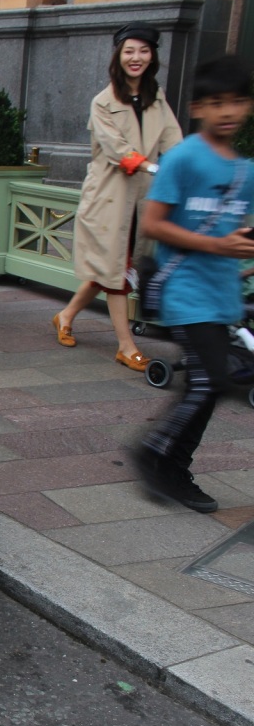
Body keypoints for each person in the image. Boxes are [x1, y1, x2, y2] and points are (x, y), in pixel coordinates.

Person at [133, 55, 254, 512]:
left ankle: (172, 469)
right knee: (211, 382)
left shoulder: (245, 170)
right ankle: (154, 455)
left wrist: (239, 251)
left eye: (238, 102)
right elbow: (155, 224)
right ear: (200, 107)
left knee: (211, 384)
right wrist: (218, 246)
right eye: (218, 103)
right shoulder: (184, 158)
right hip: (184, 290)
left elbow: (239, 231)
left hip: (222, 294)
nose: (228, 112)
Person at [54, 23, 183, 372]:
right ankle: (126, 346)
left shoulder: (157, 98)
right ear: (118, 55)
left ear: (153, 56)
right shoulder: (103, 101)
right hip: (109, 200)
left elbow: (174, 141)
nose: (136, 58)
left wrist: (188, 169)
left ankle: (65, 315)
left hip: (142, 201)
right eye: (129, 51)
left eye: (143, 51)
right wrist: (154, 169)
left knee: (112, 268)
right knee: (116, 272)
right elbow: (117, 150)